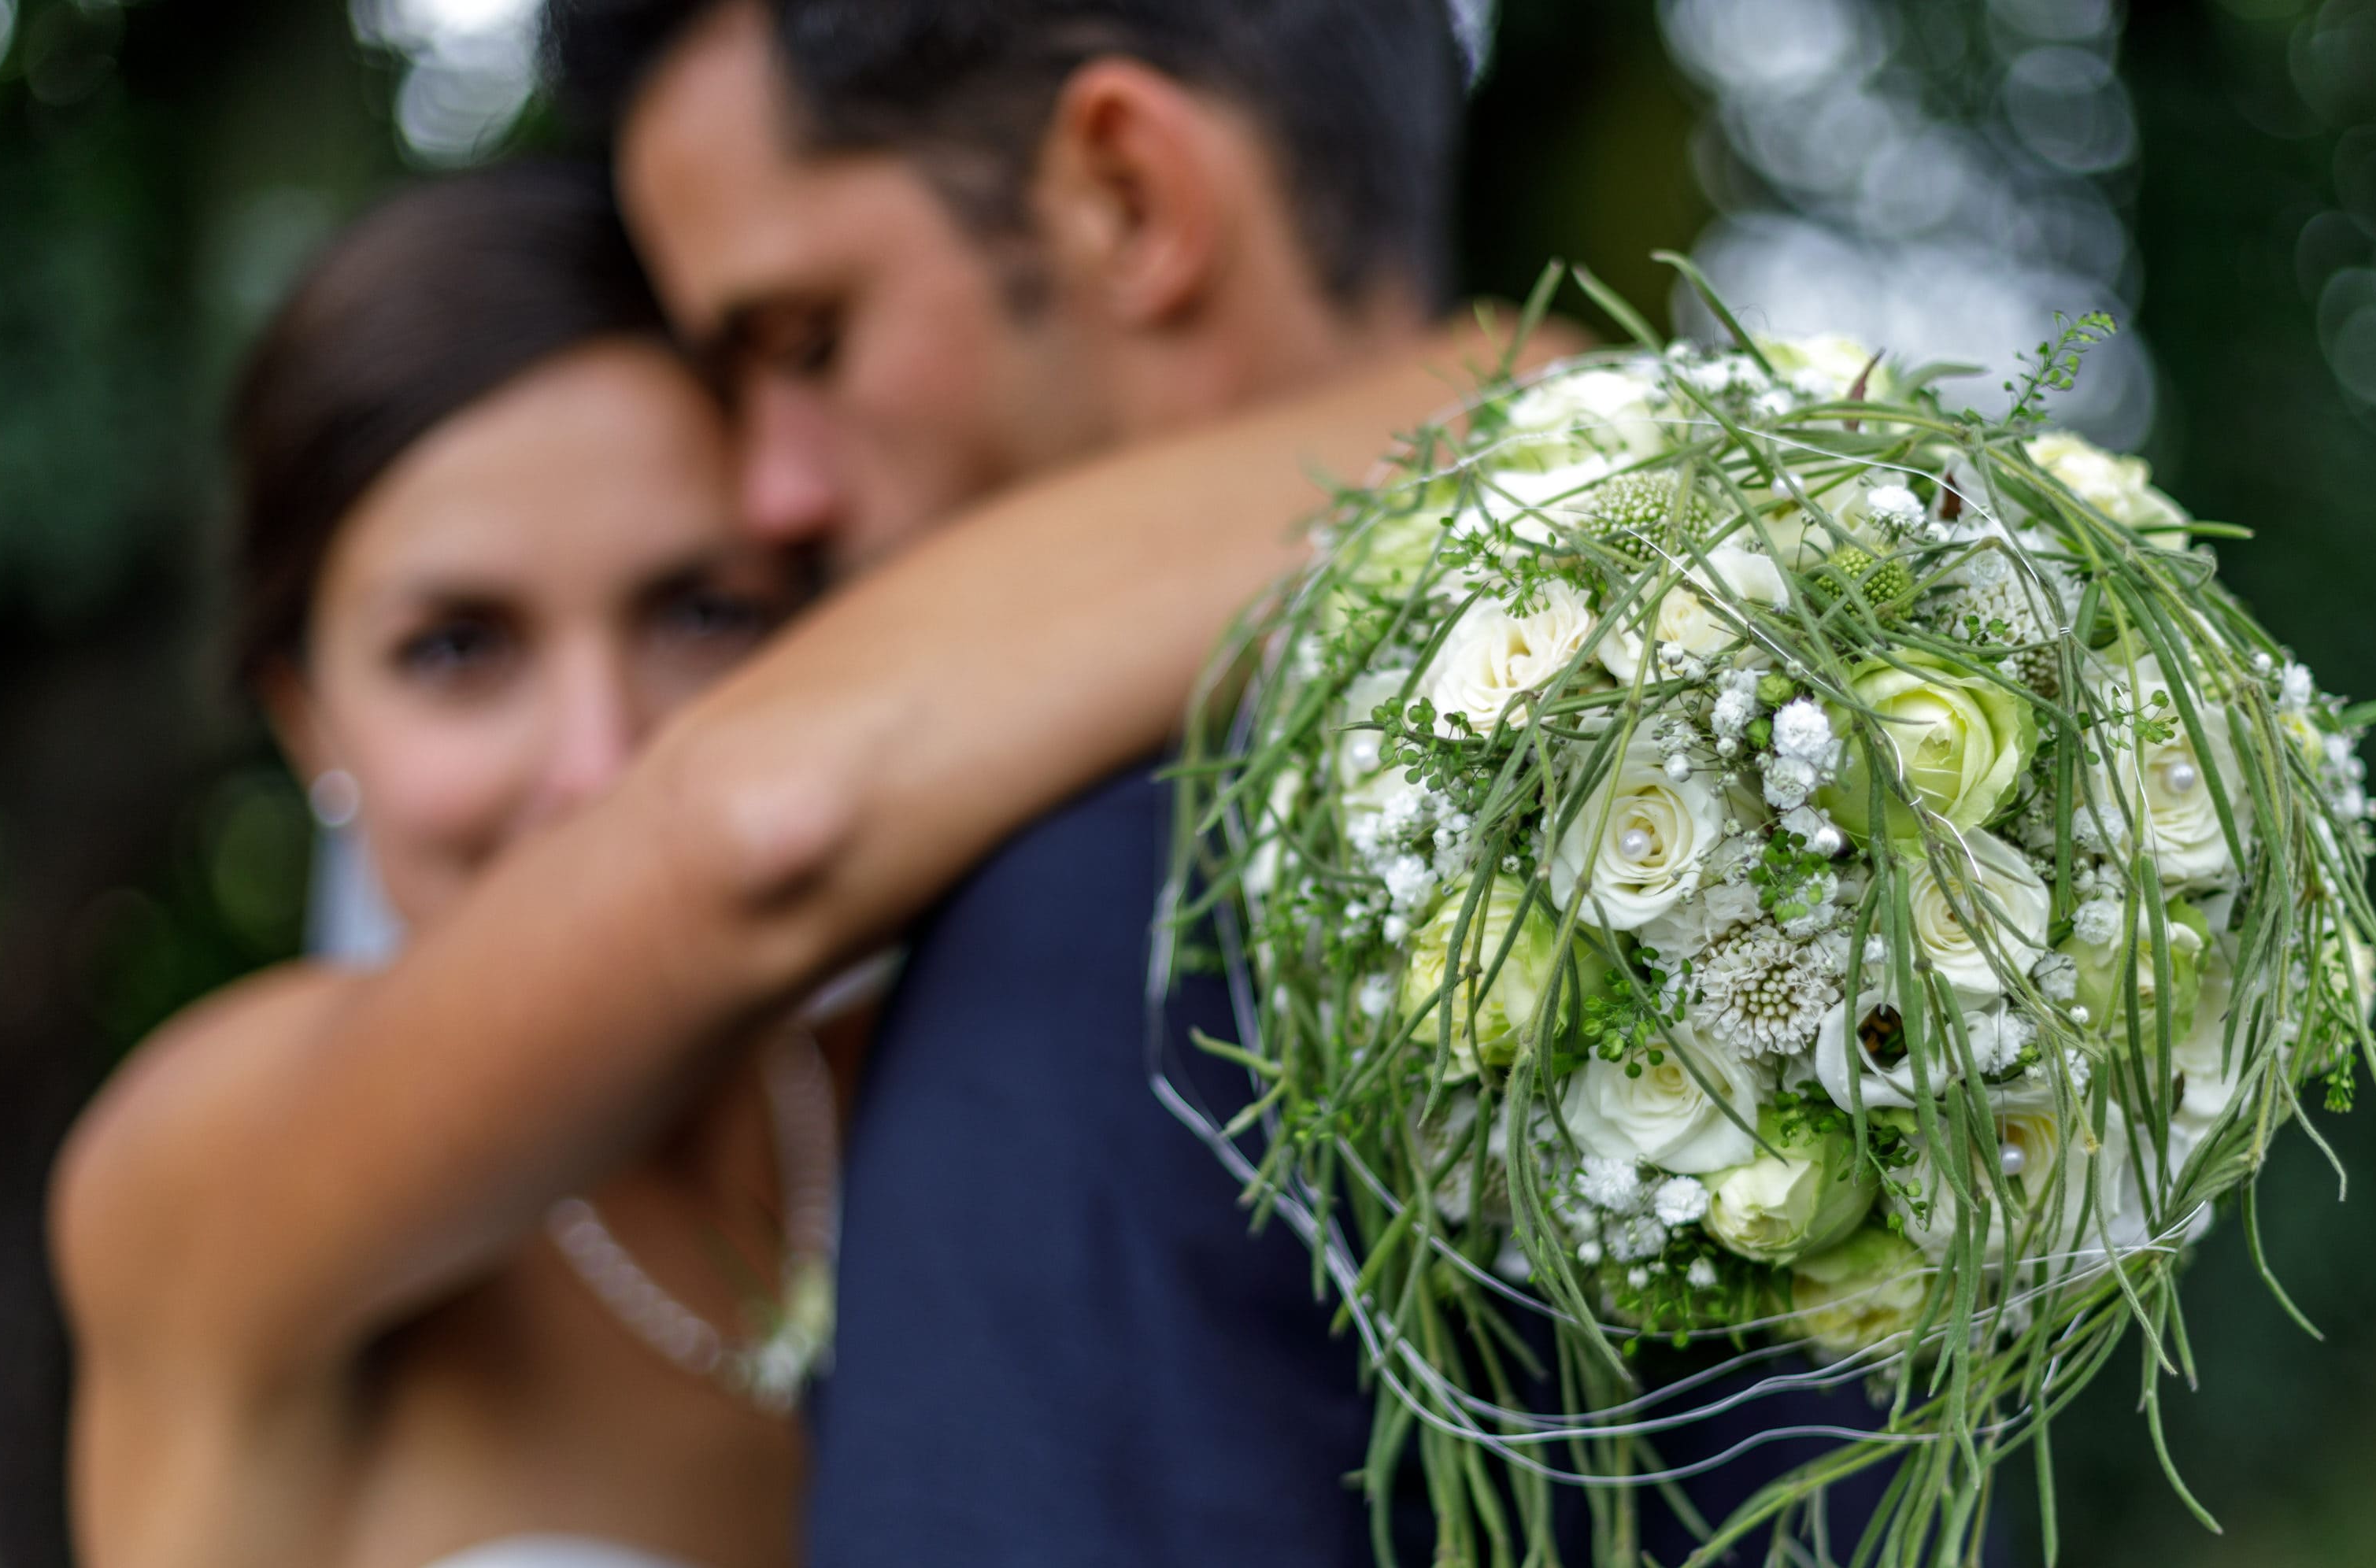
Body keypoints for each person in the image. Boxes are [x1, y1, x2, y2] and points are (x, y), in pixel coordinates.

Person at [50, 155, 1550, 1568]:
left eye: (703, 614)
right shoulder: (201, 1181)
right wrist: (1515, 398)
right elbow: (751, 835)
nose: (595, 759)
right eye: (458, 650)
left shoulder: (1018, 1075)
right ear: (307, 712)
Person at [554, 2, 1892, 1562]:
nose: (769, 490)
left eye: (806, 340)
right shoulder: (1824, 831)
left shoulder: (1122, 914)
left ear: (1125, 196)